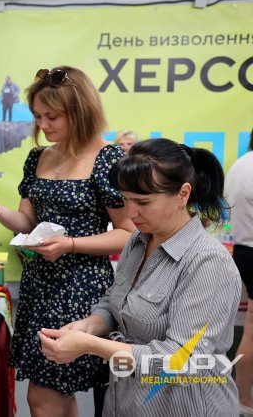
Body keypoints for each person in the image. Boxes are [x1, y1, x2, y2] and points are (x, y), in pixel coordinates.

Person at [0, 66, 135, 417]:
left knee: (43, 399)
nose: (43, 124)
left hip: (80, 290)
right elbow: (27, 222)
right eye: (37, 116)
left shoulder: (107, 159)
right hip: (38, 286)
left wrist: (70, 244)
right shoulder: (39, 157)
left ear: (79, 112)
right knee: (58, 395)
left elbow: (127, 233)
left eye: (52, 116)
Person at [39, 138, 241, 416]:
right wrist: (91, 325)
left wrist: (89, 345)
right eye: (125, 199)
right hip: (126, 400)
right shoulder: (138, 240)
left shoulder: (207, 261)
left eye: (143, 202)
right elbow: (116, 300)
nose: (130, 212)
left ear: (183, 194)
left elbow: (181, 360)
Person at [225, 129, 253, 416]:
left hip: (243, 248)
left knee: (250, 330)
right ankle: (243, 398)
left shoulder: (239, 165)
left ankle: (243, 397)